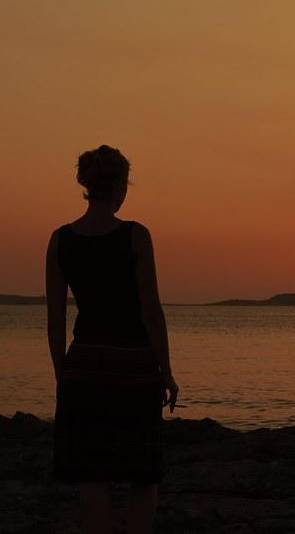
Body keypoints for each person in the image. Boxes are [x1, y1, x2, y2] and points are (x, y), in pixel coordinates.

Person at [46, 145, 179, 534]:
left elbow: (56, 320)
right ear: (119, 186)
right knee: (143, 475)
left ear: (87, 185)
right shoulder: (136, 236)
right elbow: (151, 310)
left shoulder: (60, 240)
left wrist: (62, 376)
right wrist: (166, 370)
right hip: (133, 365)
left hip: (83, 365)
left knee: (92, 476)